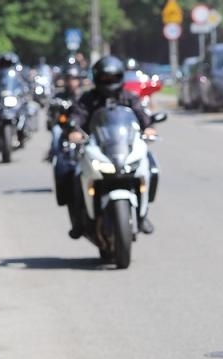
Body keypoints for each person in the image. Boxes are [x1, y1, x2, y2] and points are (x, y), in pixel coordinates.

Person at [65, 55, 158, 236]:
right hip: (98, 149)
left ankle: (142, 215)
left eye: (113, 77)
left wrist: (149, 128)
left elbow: (142, 115)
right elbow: (77, 116)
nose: (109, 82)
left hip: (124, 148)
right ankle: (79, 221)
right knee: (73, 176)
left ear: (120, 77)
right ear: (97, 78)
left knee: (152, 168)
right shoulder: (88, 99)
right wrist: (74, 130)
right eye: (105, 78)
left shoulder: (129, 98)